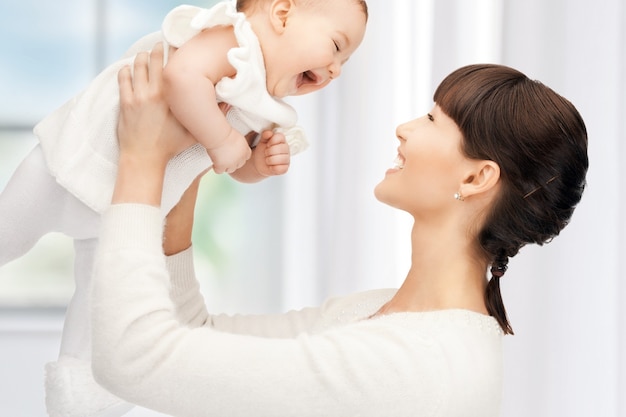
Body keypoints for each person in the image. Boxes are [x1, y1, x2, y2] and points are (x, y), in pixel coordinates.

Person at [89, 46, 589, 415]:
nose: (405, 128)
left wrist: (141, 159)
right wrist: (194, 155)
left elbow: (132, 359)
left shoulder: (417, 363)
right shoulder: (376, 314)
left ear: (477, 177)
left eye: (434, 120)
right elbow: (193, 334)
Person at [0, 1, 367, 416]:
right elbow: (180, 77)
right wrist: (220, 138)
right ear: (281, 14)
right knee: (8, 232)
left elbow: (231, 166)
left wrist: (257, 165)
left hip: (123, 213)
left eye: (346, 61)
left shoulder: (263, 106)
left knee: (99, 318)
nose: (336, 69)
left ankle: (82, 402)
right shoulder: (233, 40)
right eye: (336, 46)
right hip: (69, 168)